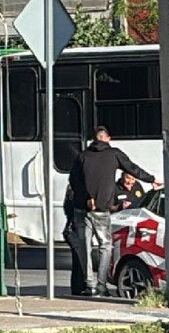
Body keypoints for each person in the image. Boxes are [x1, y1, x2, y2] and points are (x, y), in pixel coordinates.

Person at [68, 126, 161, 297]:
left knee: (84, 246)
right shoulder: (114, 154)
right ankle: (101, 286)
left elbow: (73, 181)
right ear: (107, 138)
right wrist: (151, 179)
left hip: (82, 208)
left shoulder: (82, 156)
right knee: (105, 246)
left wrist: (87, 198)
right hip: (102, 210)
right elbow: (132, 168)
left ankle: (89, 285)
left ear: (93, 139)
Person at [61, 184, 88, 296]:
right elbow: (70, 210)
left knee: (78, 258)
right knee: (79, 258)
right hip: (73, 230)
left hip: (73, 229)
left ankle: (79, 286)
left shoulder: (72, 190)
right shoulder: (75, 192)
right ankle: (79, 287)